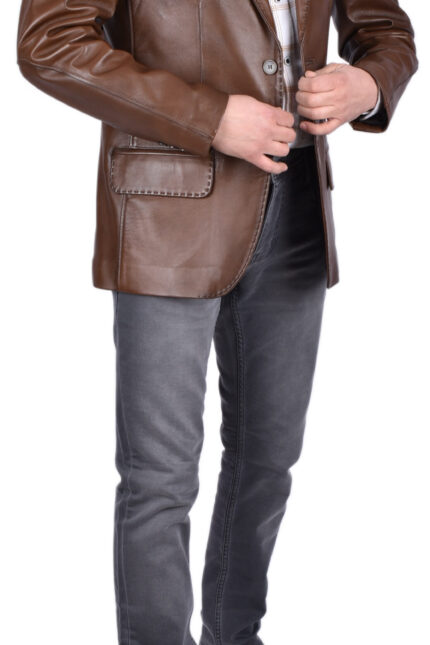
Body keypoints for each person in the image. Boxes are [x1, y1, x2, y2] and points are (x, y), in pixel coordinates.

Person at [16, 1, 418, 643]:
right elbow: (50, 43)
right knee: (160, 478)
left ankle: (235, 636)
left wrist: (368, 85)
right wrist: (208, 117)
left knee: (269, 459)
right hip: (166, 205)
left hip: (297, 206)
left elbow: (385, 30)